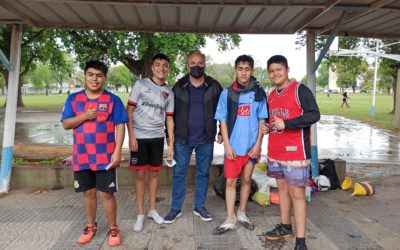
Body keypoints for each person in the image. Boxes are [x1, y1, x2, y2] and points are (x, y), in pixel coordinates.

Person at [61, 60, 128, 247]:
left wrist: (117, 152)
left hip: (105, 158)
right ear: (84, 76)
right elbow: (66, 124)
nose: (94, 79)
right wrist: (85, 116)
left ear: (105, 78)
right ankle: (91, 226)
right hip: (82, 156)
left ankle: (113, 228)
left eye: (99, 75)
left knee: (106, 194)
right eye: (90, 74)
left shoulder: (113, 100)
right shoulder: (73, 99)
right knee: (88, 193)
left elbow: (120, 126)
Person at [261, 55, 320, 250]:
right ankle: (285, 226)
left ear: (287, 70)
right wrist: (267, 128)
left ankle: (301, 241)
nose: (275, 73)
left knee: (298, 195)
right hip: (276, 152)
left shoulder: (299, 90)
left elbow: (314, 114)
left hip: (296, 153)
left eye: (279, 69)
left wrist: (287, 124)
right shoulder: (271, 95)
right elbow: (273, 122)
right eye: (271, 71)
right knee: (282, 191)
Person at [164, 50, 223, 223]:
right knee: (179, 173)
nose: (196, 66)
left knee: (203, 173)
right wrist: (170, 136)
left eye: (200, 63)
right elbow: (170, 114)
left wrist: (220, 131)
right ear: (187, 65)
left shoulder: (214, 85)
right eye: (193, 63)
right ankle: (175, 208)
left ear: (204, 64)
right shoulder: (179, 86)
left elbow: (222, 111)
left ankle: (200, 206)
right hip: (183, 139)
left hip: (206, 138)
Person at [213, 55, 267, 235]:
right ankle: (230, 218)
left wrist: (259, 145)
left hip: (251, 148)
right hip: (233, 149)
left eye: (247, 69)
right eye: (240, 69)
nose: (244, 73)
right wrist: (227, 146)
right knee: (230, 182)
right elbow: (222, 121)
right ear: (235, 70)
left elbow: (262, 121)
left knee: (246, 180)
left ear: (252, 71)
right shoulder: (226, 93)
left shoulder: (258, 93)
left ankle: (242, 213)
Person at [126, 53, 175, 232]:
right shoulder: (141, 84)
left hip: (157, 138)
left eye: (165, 65)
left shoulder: (169, 92)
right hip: (139, 137)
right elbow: (129, 111)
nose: (161, 68)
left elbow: (169, 119)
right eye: (158, 65)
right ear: (153, 67)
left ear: (168, 69)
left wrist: (171, 143)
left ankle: (152, 210)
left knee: (154, 174)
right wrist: (131, 136)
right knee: (140, 175)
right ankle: (140, 214)